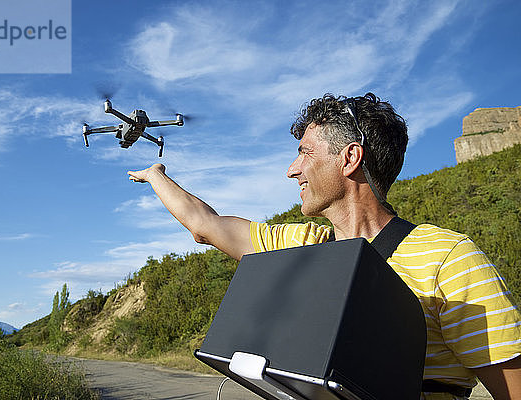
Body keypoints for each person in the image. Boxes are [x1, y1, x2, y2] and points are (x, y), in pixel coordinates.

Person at [128, 93, 521, 400]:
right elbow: (206, 226)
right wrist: (156, 176)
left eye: (304, 152)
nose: (291, 169)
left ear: (350, 158)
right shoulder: (302, 245)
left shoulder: (449, 260)